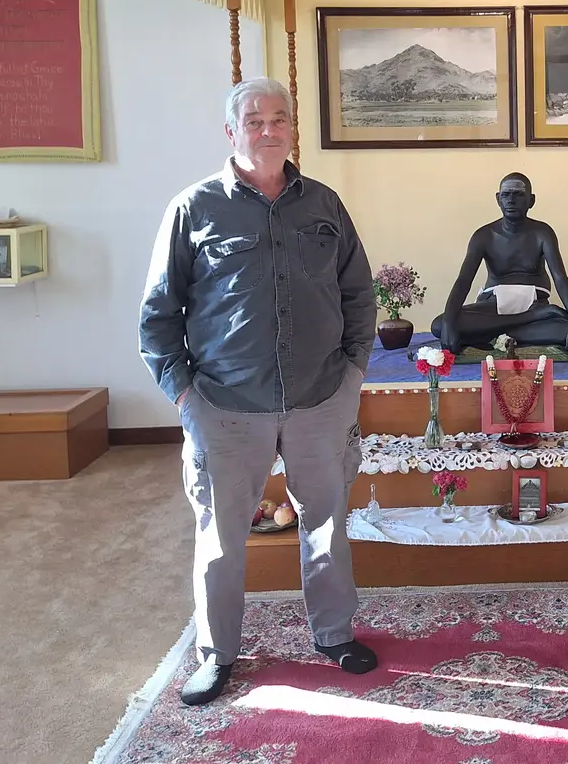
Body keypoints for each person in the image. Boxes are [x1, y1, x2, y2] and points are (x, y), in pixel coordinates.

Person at [139, 76, 378, 706]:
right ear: (231, 130)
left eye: (279, 119)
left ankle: (333, 635)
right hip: (225, 406)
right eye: (254, 120)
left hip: (320, 399)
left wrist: (352, 378)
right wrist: (185, 398)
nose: (267, 130)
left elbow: (359, 296)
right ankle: (217, 658)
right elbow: (158, 316)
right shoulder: (193, 209)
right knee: (221, 539)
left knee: (326, 527)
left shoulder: (325, 205)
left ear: (293, 130)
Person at [431, 172, 568, 354]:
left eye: (518, 194)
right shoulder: (483, 235)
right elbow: (463, 281)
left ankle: (487, 335)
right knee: (440, 325)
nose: (511, 200)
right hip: (494, 307)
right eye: (505, 194)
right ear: (498, 199)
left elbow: (560, 278)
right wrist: (450, 322)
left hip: (536, 303)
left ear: (531, 200)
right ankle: (523, 322)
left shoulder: (543, 233)